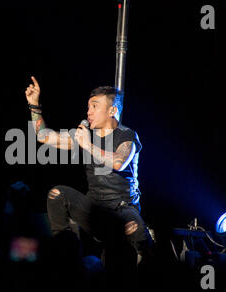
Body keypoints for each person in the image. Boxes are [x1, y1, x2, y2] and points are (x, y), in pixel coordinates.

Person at [25, 76, 153, 269]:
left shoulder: (127, 135)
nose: (88, 112)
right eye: (88, 107)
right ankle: (67, 258)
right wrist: (34, 105)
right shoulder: (86, 137)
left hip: (121, 209)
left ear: (112, 110)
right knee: (57, 193)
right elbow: (44, 136)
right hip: (94, 207)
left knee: (140, 236)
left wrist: (88, 145)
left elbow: (118, 162)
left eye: (94, 106)